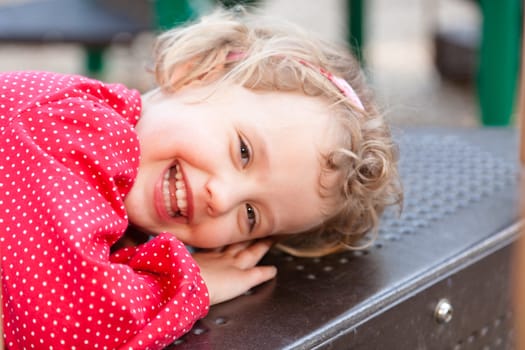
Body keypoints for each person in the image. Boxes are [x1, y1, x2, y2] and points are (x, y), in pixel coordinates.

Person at [0, 7, 402, 349]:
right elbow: (63, 327)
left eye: (250, 215)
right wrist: (188, 285)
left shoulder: (114, 193)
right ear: (197, 71)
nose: (221, 196)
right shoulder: (80, 128)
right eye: (243, 151)